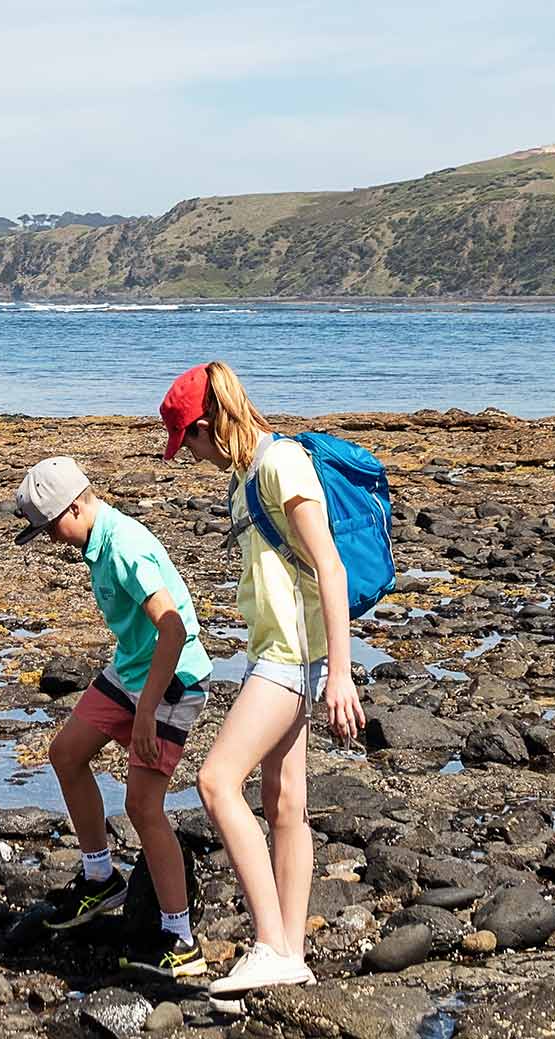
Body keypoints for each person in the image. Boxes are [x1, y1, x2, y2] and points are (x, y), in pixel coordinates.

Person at [158, 361, 367, 997]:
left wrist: (340, 673)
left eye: (188, 442)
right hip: (275, 655)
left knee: (216, 781)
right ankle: (293, 954)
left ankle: (271, 944)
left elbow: (329, 567)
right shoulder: (246, 475)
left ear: (208, 424)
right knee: (284, 804)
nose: (190, 457)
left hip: (291, 661)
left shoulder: (282, 465)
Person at [12, 456, 215, 978]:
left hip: (172, 680)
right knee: (66, 754)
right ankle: (101, 878)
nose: (52, 540)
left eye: (51, 527)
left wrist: (146, 713)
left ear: (77, 505)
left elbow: (173, 631)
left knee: (143, 806)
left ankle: (180, 938)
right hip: (132, 668)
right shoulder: (92, 540)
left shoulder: (125, 546)